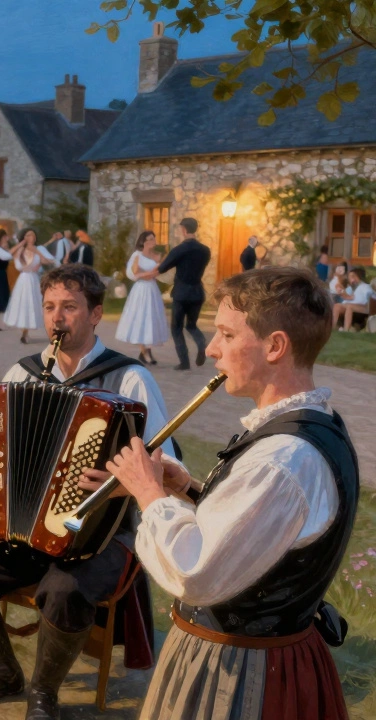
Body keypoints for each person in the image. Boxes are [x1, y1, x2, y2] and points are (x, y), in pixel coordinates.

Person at [107, 267, 356, 720]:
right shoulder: (311, 428)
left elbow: (195, 572)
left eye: (225, 334)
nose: (212, 349)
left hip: (242, 672)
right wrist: (186, 489)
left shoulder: (281, 459)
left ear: (275, 346)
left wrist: (147, 494)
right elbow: (262, 535)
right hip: (262, 656)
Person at [0, 264, 175, 720]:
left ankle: (43, 692)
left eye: (69, 307)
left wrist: (124, 483)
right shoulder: (22, 372)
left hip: (102, 533)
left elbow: (169, 461)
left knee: (63, 590)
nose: (56, 318)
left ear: (95, 315)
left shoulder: (129, 379)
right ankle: (6, 673)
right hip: (25, 531)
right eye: (49, 307)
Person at [158, 217, 212, 371]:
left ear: (183, 229)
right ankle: (201, 343)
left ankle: (184, 362)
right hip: (197, 292)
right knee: (192, 325)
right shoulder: (205, 250)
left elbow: (163, 268)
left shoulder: (180, 249)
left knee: (176, 328)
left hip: (181, 293)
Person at [116, 230, 169, 364]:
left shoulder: (157, 256)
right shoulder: (137, 255)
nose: (153, 241)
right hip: (140, 289)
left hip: (152, 288)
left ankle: (147, 350)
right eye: (150, 239)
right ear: (143, 242)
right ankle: (145, 352)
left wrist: (147, 273)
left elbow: (158, 273)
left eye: (153, 238)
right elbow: (134, 274)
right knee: (141, 317)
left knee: (151, 318)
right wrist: (148, 274)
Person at [2, 228, 54, 344]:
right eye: (29, 235)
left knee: (35, 304)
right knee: (23, 305)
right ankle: (24, 333)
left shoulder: (39, 249)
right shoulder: (19, 250)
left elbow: (49, 261)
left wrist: (37, 253)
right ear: (24, 237)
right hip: (23, 280)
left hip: (33, 279)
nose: (32, 238)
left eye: (33, 235)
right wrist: (21, 245)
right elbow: (9, 257)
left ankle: (36, 332)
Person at [332, 266, 373, 331]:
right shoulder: (353, 289)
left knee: (349, 307)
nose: (351, 279)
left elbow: (370, 295)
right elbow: (349, 298)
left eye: (353, 276)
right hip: (351, 306)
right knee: (337, 306)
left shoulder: (365, 286)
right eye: (350, 277)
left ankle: (346, 330)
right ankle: (332, 328)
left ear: (358, 276)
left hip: (363, 308)